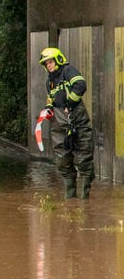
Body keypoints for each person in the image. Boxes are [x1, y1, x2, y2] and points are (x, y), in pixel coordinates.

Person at [40, 47, 95, 199]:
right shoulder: (50, 81)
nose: (48, 66)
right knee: (63, 160)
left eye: (50, 62)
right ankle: (70, 200)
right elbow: (51, 97)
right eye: (46, 64)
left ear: (58, 60)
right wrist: (49, 107)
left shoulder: (68, 71)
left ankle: (85, 199)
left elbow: (80, 85)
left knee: (84, 156)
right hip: (58, 122)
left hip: (76, 117)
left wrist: (69, 103)